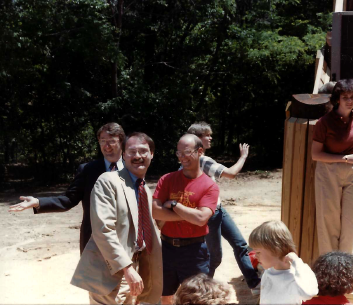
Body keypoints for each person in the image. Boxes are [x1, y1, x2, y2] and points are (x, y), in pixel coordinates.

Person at [71, 132, 162, 304]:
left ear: (152, 154)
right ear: (124, 154)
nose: (137, 156)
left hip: (138, 269)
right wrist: (127, 269)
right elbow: (103, 231)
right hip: (111, 273)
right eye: (131, 151)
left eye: (143, 151)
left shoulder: (144, 189)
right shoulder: (108, 181)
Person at [8, 122, 125, 254]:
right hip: (94, 241)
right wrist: (38, 202)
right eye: (103, 141)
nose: (106, 146)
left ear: (121, 142)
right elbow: (69, 199)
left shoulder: (132, 169)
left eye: (111, 141)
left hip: (126, 238)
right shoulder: (88, 169)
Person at [187, 122, 261, 294]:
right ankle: (202, 291)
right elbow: (231, 174)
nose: (210, 137)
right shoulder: (202, 159)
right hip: (210, 215)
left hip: (218, 210)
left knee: (240, 245)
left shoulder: (197, 159)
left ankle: (254, 283)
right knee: (214, 258)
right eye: (207, 134)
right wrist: (243, 157)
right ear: (198, 139)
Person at [152, 134, 219, 305]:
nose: (182, 157)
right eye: (179, 153)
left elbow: (202, 218)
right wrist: (189, 215)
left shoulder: (209, 186)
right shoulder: (167, 179)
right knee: (166, 295)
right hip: (166, 249)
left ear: (200, 152)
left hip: (194, 251)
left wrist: (174, 204)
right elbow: (155, 212)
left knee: (196, 298)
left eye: (187, 152)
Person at [312, 79, 353, 255]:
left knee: (351, 222)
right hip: (328, 171)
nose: (349, 100)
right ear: (337, 99)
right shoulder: (324, 122)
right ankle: (331, 270)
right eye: (345, 97)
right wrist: (343, 158)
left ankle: (346, 268)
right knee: (329, 224)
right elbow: (315, 154)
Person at [249, 220, 318, 305]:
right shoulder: (267, 273)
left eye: (258, 252)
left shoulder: (295, 277)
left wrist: (297, 262)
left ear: (276, 249)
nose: (255, 256)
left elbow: (309, 293)